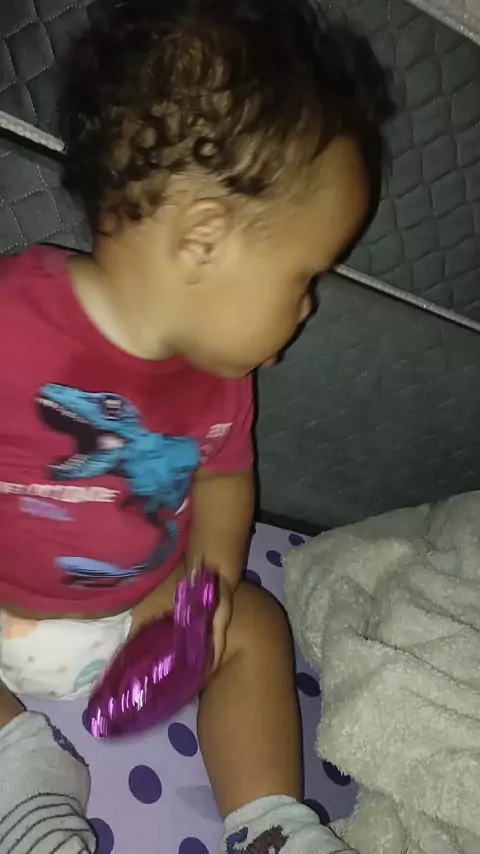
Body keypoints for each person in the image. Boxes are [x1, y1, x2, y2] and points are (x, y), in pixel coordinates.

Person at [0, 0, 394, 851]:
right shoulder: (11, 322)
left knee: (256, 625)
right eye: (303, 277)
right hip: (5, 605)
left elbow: (223, 474)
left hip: (141, 615)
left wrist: (203, 588)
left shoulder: (221, 378)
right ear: (203, 239)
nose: (306, 309)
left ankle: (271, 824)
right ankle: (25, 782)